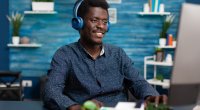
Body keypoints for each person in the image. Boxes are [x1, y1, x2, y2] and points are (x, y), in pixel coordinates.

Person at [43, 0, 167, 110]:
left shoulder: (118, 54)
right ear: (78, 23)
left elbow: (138, 82)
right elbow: (52, 91)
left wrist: (151, 96)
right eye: (94, 20)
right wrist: (74, 107)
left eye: (105, 22)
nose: (101, 26)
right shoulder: (64, 54)